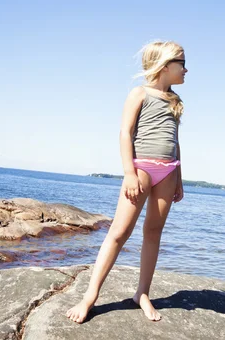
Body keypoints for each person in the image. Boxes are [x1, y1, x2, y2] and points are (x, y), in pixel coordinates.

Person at [66, 41, 187, 323]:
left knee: (153, 232)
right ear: (165, 65)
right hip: (141, 168)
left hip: (168, 171)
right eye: (182, 62)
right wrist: (129, 172)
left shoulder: (175, 100)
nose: (186, 68)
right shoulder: (139, 93)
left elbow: (176, 142)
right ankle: (89, 297)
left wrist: (179, 178)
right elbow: (125, 133)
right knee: (119, 233)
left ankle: (142, 294)